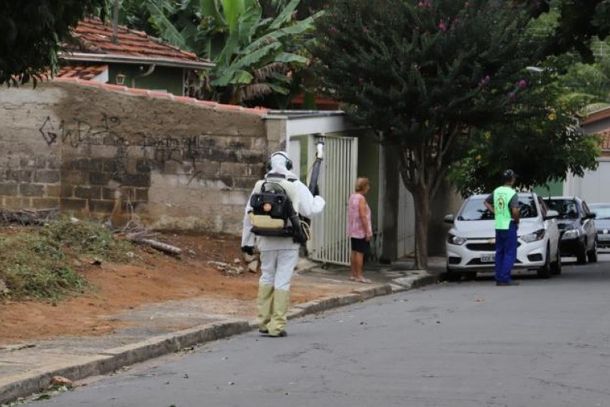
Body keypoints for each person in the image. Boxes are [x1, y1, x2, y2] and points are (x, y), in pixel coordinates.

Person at [241, 151, 325, 337]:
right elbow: (311, 210)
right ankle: (277, 325)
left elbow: (248, 216)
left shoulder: (260, 185)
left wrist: (246, 242)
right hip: (288, 240)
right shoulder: (295, 185)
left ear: (269, 166)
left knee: (267, 276)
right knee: (282, 280)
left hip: (265, 240)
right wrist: (319, 198)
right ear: (289, 166)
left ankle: (263, 321)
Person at [484, 169, 521, 286]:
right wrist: (517, 220)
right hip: (509, 224)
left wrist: (495, 211)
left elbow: (486, 202)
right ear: (512, 180)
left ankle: (499, 278)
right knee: (510, 253)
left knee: (500, 252)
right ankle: (504, 278)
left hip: (499, 225)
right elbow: (515, 210)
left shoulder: (497, 191)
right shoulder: (512, 193)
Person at [348, 177, 373, 283]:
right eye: (367, 186)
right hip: (360, 230)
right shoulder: (361, 199)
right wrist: (367, 231)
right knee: (360, 252)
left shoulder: (352, 197)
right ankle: (359, 275)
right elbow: (363, 215)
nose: (369, 188)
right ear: (364, 187)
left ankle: (353, 274)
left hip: (352, 229)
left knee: (354, 251)